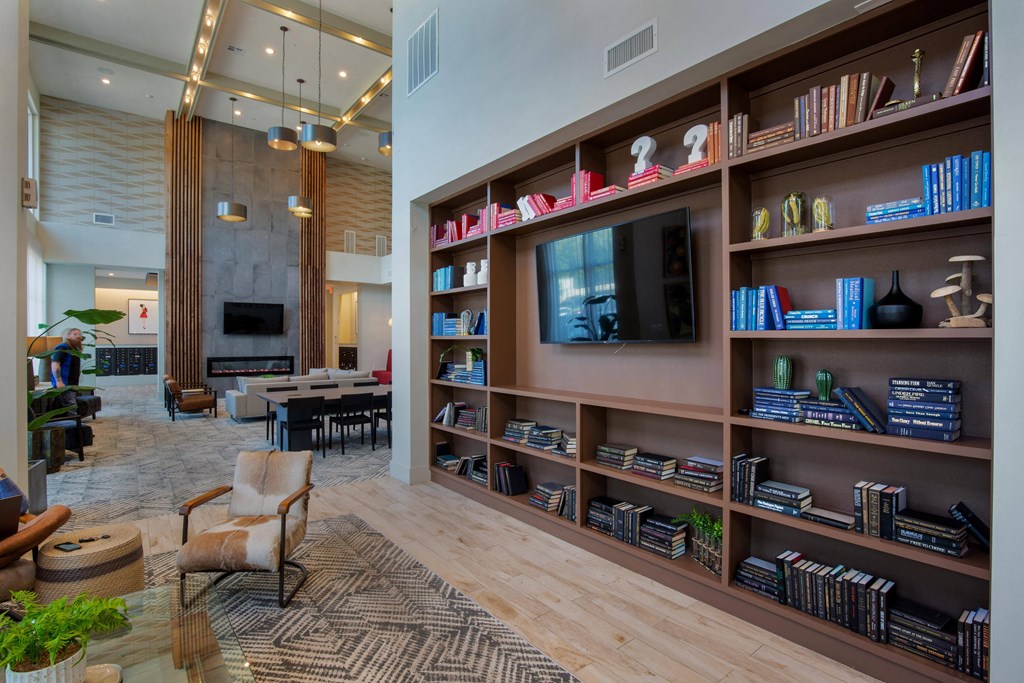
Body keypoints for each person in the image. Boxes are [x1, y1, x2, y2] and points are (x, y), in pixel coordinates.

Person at [50, 327, 84, 415]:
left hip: (71, 384)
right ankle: (74, 426)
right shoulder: (62, 348)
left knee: (71, 406)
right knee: (70, 407)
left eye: (79, 334)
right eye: (75, 334)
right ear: (68, 336)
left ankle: (74, 425)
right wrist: (59, 381)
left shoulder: (74, 350)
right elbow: (55, 364)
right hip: (64, 384)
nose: (78, 336)